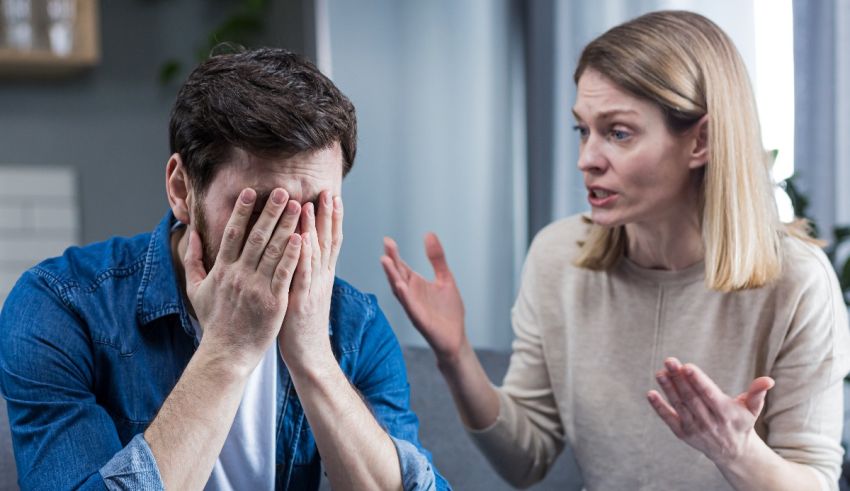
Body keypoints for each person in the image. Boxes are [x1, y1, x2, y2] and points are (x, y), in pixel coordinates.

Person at [381, 10, 850, 491]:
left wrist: (738, 452)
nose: (587, 159)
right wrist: (456, 356)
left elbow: (815, 480)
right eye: (583, 130)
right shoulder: (558, 256)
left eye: (618, 133)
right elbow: (525, 460)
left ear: (701, 141)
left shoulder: (797, 281)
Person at [0, 48, 449, 491]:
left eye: (315, 208)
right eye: (262, 208)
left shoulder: (357, 325)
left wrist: (313, 356)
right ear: (181, 189)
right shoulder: (60, 306)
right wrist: (228, 349)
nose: (288, 237)